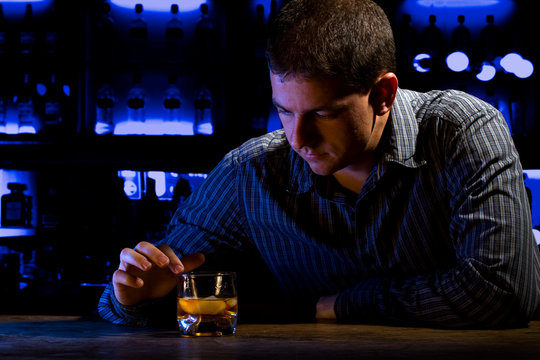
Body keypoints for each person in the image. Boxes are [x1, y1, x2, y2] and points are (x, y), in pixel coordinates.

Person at [99, 0, 540, 328]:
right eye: (285, 111)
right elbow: (130, 301)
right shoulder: (250, 172)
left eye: (323, 114)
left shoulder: (462, 131)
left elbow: (504, 292)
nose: (298, 138)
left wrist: (341, 305)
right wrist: (136, 294)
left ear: (383, 95)